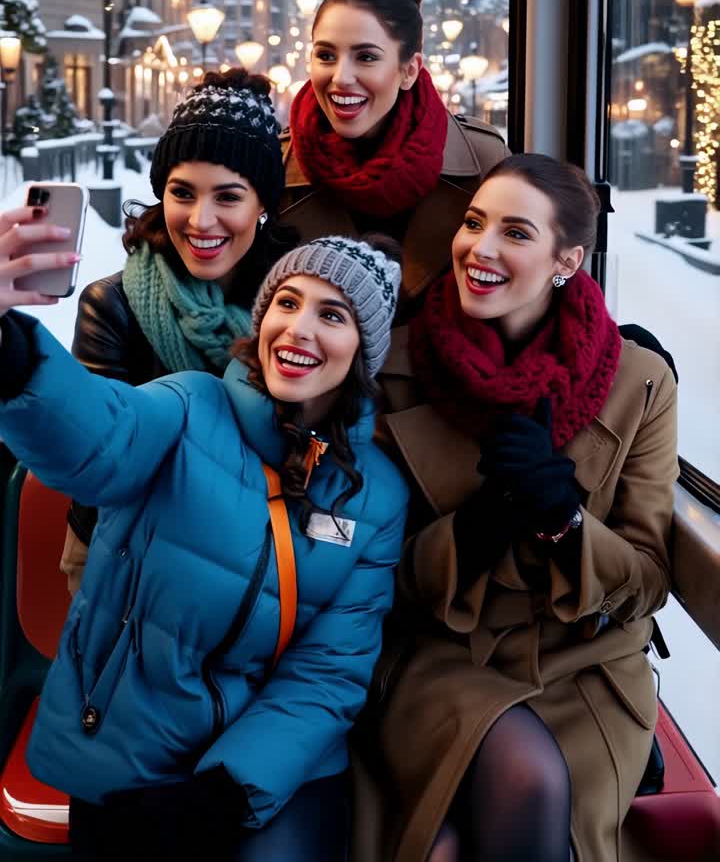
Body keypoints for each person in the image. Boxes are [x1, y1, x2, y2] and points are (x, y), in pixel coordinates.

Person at [0, 217, 408, 862]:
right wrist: (11, 352)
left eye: (333, 315)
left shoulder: (376, 495)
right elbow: (94, 435)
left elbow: (329, 671)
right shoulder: (188, 409)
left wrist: (226, 791)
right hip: (128, 746)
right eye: (287, 302)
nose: (299, 328)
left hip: (264, 764)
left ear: (364, 350)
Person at [366, 153, 678, 862]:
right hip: (439, 659)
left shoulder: (640, 381)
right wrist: (478, 529)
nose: (481, 248)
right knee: (509, 795)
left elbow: (648, 576)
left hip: (585, 664)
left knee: (474, 831)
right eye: (474, 223)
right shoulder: (395, 367)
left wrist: (561, 520)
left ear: (567, 260)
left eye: (515, 233)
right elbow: (373, 570)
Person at [61, 66, 291, 596]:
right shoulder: (112, 305)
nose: (200, 220)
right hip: (124, 547)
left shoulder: (291, 306)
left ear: (263, 206)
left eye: (228, 197)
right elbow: (97, 460)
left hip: (267, 552)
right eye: (181, 193)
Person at [281, 0, 507, 319]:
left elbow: (534, 279)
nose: (340, 77)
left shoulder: (483, 161)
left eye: (366, 57)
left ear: (409, 70)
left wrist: (559, 281)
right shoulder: (277, 167)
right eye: (325, 55)